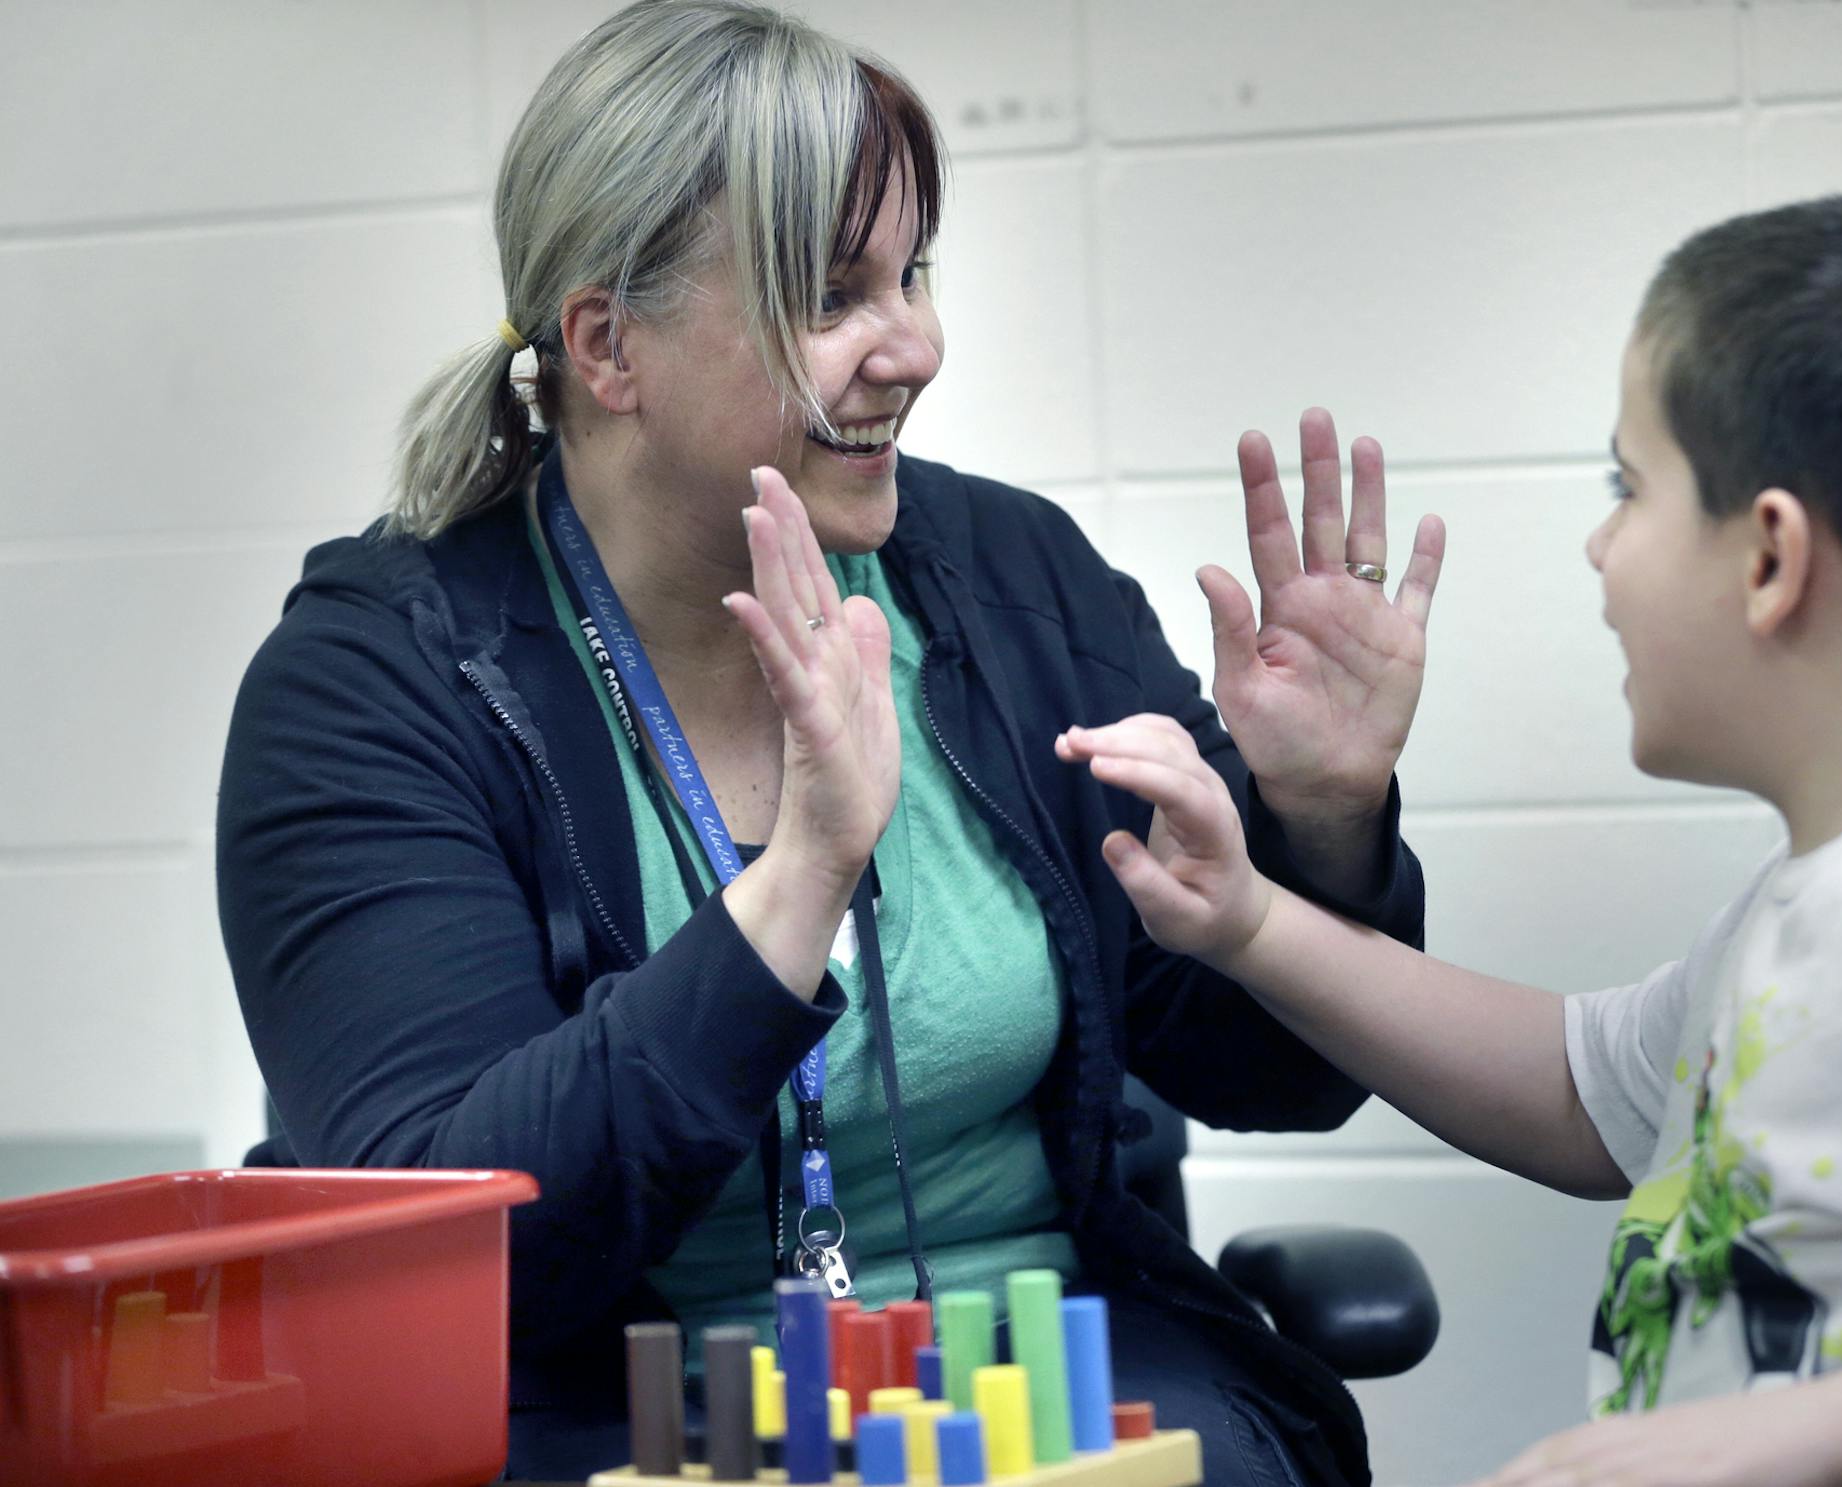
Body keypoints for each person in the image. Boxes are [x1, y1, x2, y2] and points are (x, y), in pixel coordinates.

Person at [215, 3, 1444, 1482]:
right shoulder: (376, 686)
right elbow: (460, 1261)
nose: (915, 346)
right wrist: (795, 884)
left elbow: (1279, 1075)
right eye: (831, 293)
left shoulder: (1009, 582)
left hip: (1049, 1389)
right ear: (611, 346)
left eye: (913, 274)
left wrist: (1320, 821)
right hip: (614, 1424)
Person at [1058, 194, 1842, 1485]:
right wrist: (1250, 921)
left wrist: (1813, 1432)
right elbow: (1582, 1095)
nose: (1599, 542)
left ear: (1769, 561)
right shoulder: (1827, 896)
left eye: (1628, 489)